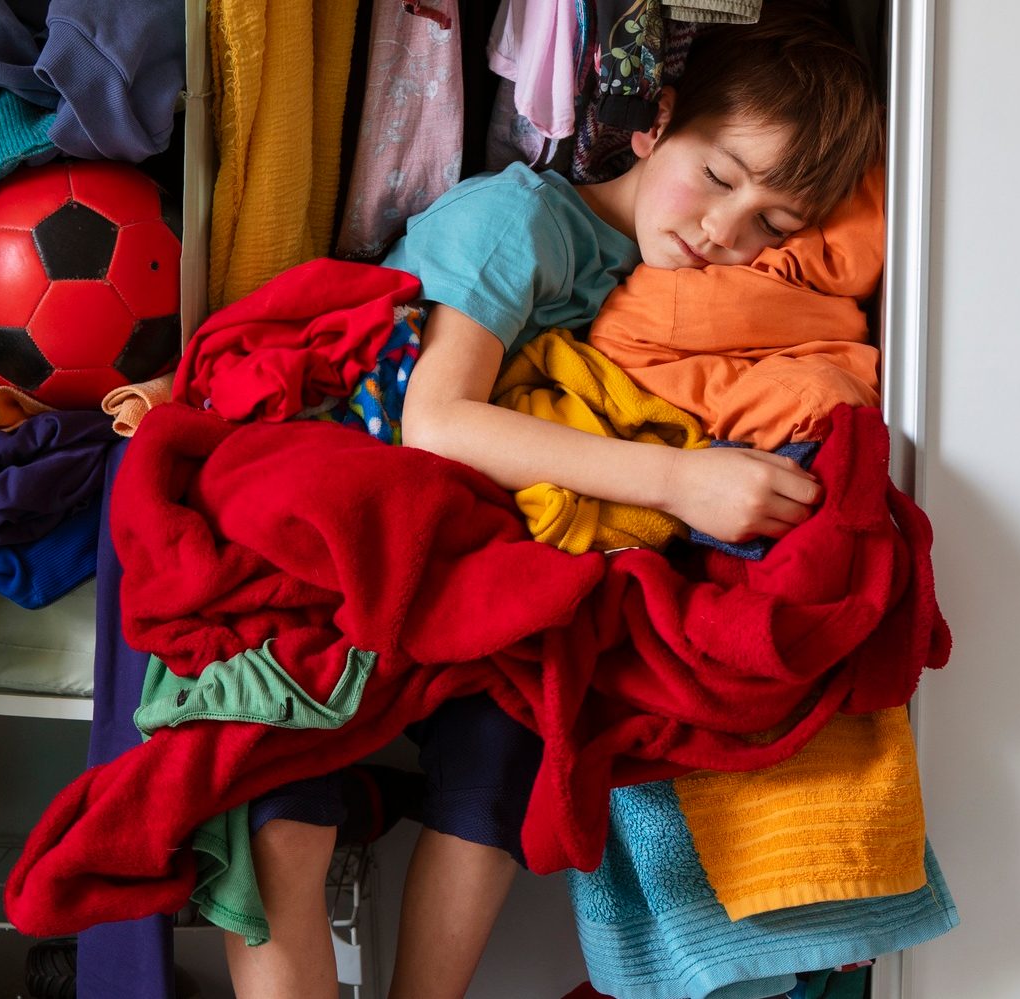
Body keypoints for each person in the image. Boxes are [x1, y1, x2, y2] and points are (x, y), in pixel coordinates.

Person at [223, 6, 886, 998]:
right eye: (716, 178)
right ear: (655, 123)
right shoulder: (519, 217)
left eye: (772, 226)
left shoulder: (667, 294)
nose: (722, 231)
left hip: (492, 562)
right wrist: (680, 480)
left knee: (501, 767)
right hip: (351, 517)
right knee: (290, 789)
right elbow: (435, 421)